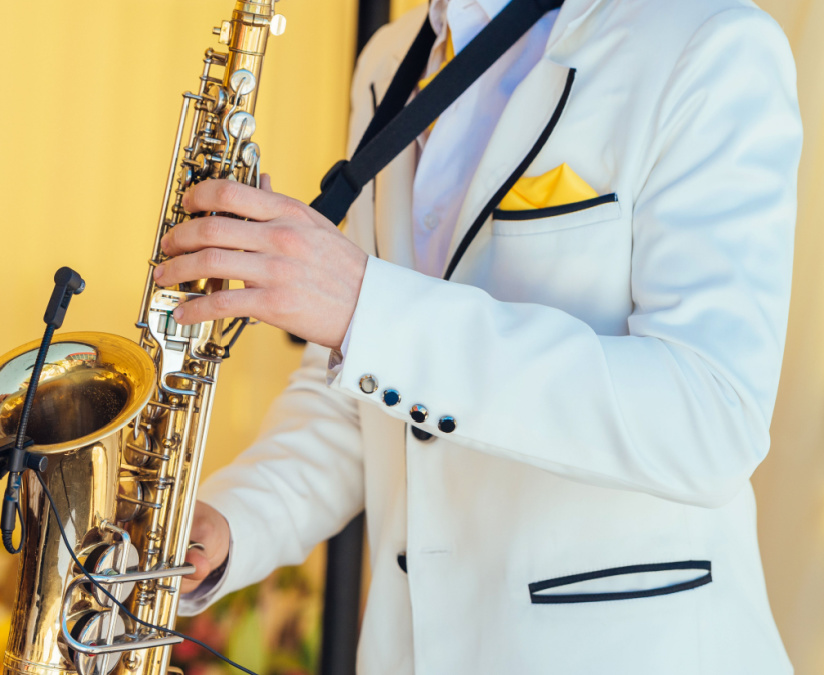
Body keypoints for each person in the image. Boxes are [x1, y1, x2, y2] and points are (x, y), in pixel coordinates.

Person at [154, 0, 801, 671]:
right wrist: (231, 524)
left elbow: (710, 414)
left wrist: (368, 307)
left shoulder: (710, 42)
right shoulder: (387, 60)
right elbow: (364, 387)